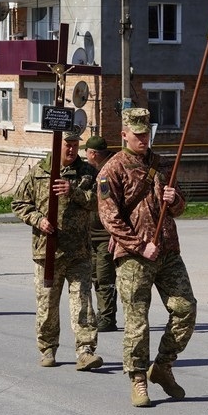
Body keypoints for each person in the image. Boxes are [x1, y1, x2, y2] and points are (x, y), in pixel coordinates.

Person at [97, 107, 197, 408]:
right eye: (138, 135)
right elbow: (109, 218)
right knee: (137, 321)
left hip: (167, 251)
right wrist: (140, 246)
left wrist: (175, 199)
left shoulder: (161, 163)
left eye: (147, 134)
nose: (143, 139)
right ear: (124, 134)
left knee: (185, 310)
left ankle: (163, 366)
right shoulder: (112, 170)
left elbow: (179, 207)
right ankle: (138, 378)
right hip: (133, 257)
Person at [12, 130, 102, 371]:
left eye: (75, 145)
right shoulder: (39, 172)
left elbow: (100, 202)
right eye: (67, 144)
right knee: (47, 305)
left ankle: (85, 351)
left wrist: (73, 192)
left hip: (79, 252)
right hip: (47, 252)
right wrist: (38, 220)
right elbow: (19, 203)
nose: (71, 149)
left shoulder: (88, 173)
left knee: (83, 302)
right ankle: (48, 348)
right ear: (56, 145)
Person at [83, 134, 119, 333]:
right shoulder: (94, 170)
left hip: (106, 235)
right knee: (96, 276)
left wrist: (115, 233)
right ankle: (102, 313)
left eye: (87, 152)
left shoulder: (108, 172)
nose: (85, 155)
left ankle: (107, 318)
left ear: (93, 153)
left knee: (105, 277)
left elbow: (114, 205)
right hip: (93, 233)